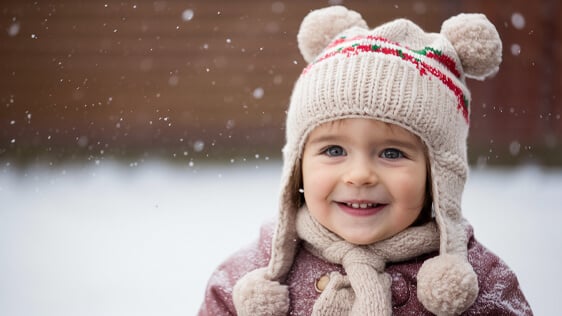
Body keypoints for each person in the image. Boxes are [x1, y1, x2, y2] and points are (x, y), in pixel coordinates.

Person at [199, 5, 532, 315]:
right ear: (298, 169)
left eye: (391, 153)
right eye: (334, 151)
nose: (359, 175)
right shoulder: (250, 279)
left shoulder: (479, 287)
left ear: (438, 176)